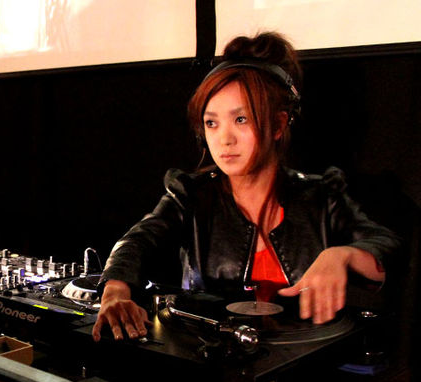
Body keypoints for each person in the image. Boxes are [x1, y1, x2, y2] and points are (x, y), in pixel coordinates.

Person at [92, 32, 401, 342]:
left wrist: (343, 255)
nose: (224, 139)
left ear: (278, 124)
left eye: (241, 119)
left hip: (304, 359)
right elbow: (137, 241)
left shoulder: (322, 196)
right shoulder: (191, 195)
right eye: (211, 123)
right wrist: (115, 292)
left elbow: (392, 250)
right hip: (212, 354)